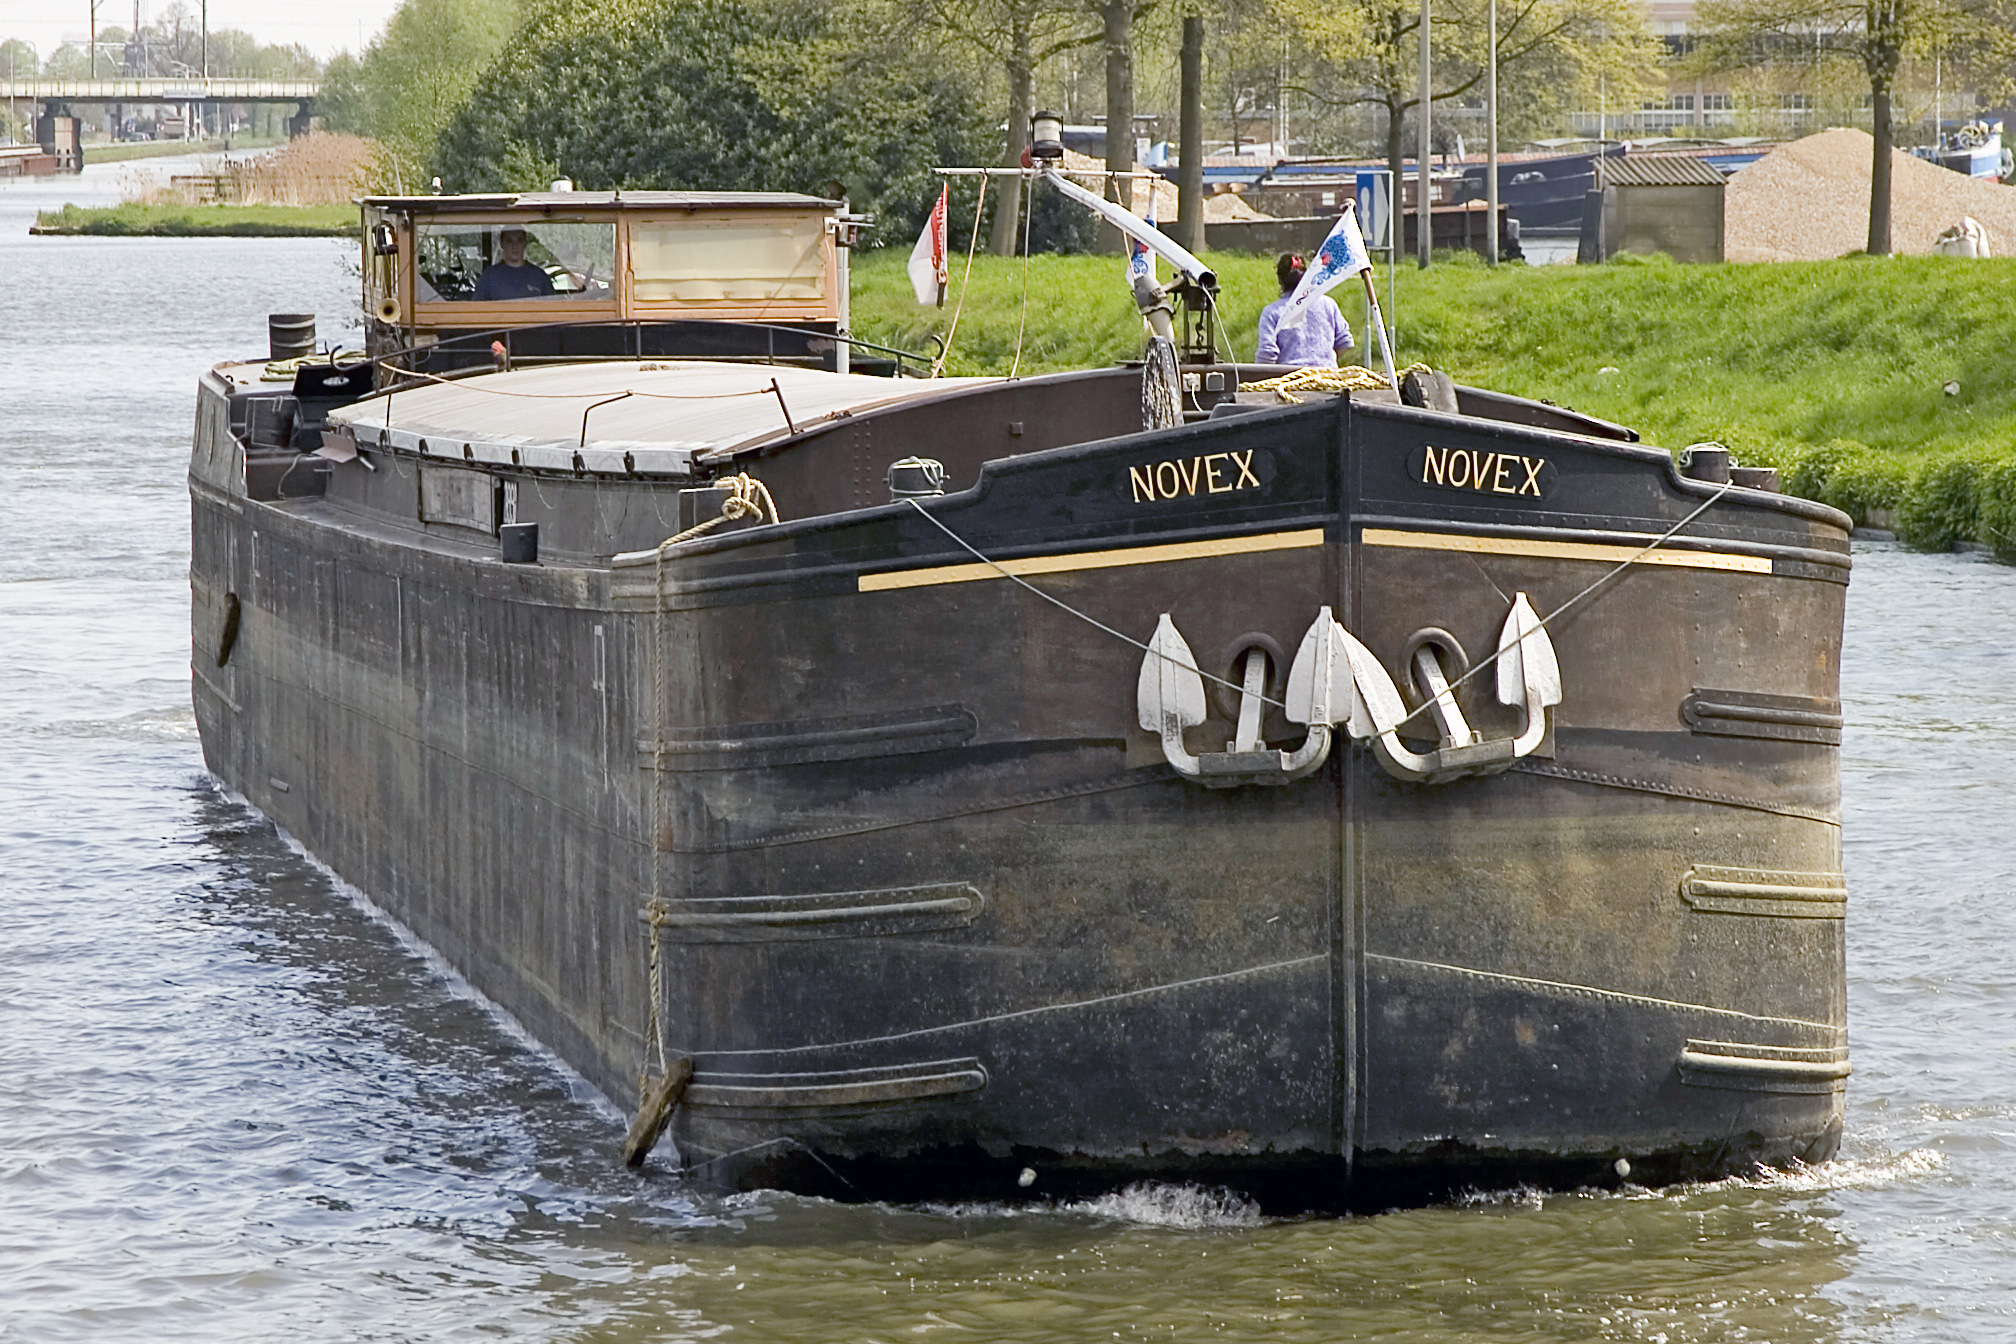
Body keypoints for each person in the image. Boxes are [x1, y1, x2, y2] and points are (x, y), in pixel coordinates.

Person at [1254, 252, 1354, 366]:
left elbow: (1267, 354)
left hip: (1291, 375)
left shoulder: (1272, 312)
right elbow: (1345, 342)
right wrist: (1324, 362)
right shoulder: (1328, 304)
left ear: (1280, 280)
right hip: (1327, 374)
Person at [471, 227, 556, 301]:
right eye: (509, 241)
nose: (515, 246)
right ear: (502, 244)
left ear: (525, 243)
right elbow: (476, 309)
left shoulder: (539, 276)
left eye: (519, 240)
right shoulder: (489, 277)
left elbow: (553, 308)